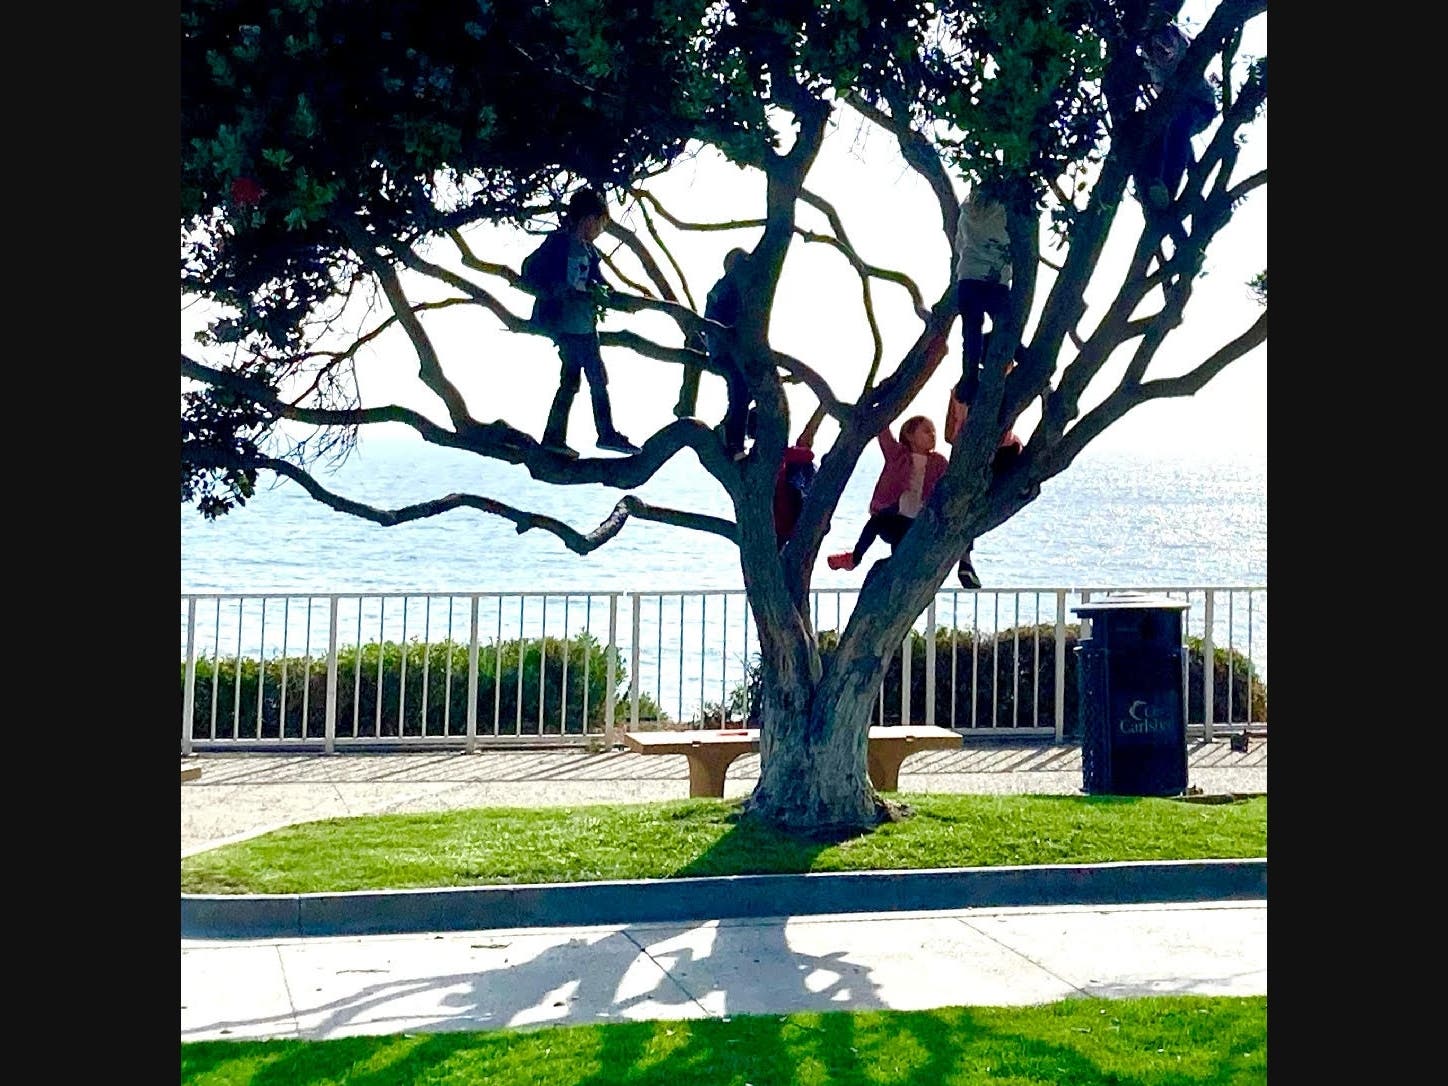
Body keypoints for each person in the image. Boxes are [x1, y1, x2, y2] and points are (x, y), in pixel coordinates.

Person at [526, 188, 640, 457]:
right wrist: (554, 289)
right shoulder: (558, 244)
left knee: (581, 379)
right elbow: (529, 269)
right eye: (601, 224)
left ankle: (567, 437)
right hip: (567, 326)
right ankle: (597, 434)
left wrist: (617, 299)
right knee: (585, 379)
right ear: (589, 219)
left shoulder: (590, 252)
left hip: (585, 325)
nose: (601, 230)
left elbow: (600, 283)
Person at [827, 414, 948, 574]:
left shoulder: (939, 462)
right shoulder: (896, 454)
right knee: (876, 521)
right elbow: (883, 430)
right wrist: (882, 404)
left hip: (919, 522)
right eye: (926, 431)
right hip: (896, 518)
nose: (932, 435)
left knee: (901, 558)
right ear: (909, 435)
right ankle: (854, 558)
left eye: (933, 431)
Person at [944, 383, 1025, 590]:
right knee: (973, 506)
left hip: (971, 454)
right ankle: (965, 561)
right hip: (1000, 451)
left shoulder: (961, 389)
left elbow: (949, 434)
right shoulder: (1004, 387)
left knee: (969, 506)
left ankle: (965, 559)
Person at [1136, 14, 1217, 211]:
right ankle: (1152, 184)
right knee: (1156, 133)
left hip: (1199, 104)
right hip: (1171, 106)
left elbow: (1173, 50)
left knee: (1177, 126)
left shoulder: (1176, 37)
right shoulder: (1144, 53)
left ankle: (1168, 188)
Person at [953, 182, 1012, 409]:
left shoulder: (966, 210)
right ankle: (1022, 357)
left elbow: (959, 244)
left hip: (968, 277)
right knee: (1004, 327)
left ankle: (969, 378)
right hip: (994, 280)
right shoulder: (1004, 208)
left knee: (971, 332)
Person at [702, 248, 755, 460]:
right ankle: (734, 443)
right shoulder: (726, 287)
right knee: (740, 390)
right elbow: (713, 319)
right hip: (724, 349)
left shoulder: (737, 287)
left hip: (731, 349)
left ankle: (730, 430)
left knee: (745, 391)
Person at [773, 430, 817, 549]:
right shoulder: (782, 457)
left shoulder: (761, 458)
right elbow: (809, 454)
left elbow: (806, 447)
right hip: (785, 522)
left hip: (782, 523)